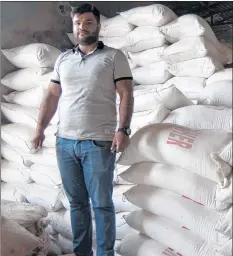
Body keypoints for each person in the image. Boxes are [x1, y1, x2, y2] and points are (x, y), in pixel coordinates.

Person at [32, 3, 134, 256]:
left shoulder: (113, 56)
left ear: (97, 25)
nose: (82, 27)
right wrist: (40, 128)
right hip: (65, 142)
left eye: (88, 22)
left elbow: (126, 93)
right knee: (76, 204)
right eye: (78, 23)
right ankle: (81, 253)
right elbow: (52, 96)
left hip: (98, 142)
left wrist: (123, 129)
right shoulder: (63, 60)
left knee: (101, 204)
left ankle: (104, 253)